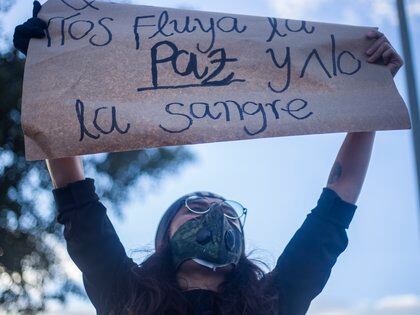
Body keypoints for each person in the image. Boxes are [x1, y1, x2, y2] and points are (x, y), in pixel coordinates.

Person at [13, 2, 403, 314]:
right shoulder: (124, 293)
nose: (215, 215)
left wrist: (368, 94)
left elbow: (336, 205)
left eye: (230, 212)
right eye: (196, 206)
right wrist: (51, 68)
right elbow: (77, 201)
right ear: (164, 233)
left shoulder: (276, 301)